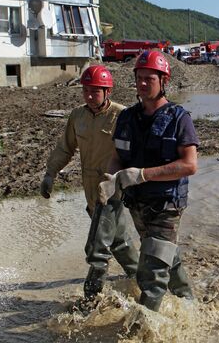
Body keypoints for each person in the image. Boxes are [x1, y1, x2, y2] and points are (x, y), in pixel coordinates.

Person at [98, 50, 198, 312]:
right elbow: (116, 157)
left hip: (166, 205)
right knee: (166, 256)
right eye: (139, 78)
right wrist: (111, 179)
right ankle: (188, 304)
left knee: (152, 274)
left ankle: (142, 329)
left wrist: (142, 174)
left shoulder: (179, 118)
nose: (142, 83)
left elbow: (190, 164)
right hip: (137, 205)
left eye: (149, 78)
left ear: (163, 80)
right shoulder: (127, 118)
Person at [40, 65, 139, 301]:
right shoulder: (78, 116)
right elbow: (66, 147)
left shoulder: (121, 115)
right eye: (86, 91)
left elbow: (134, 152)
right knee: (118, 241)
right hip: (89, 188)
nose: (89, 96)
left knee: (97, 246)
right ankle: (140, 280)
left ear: (108, 91)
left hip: (113, 188)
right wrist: (50, 173)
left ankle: (90, 300)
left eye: (95, 91)